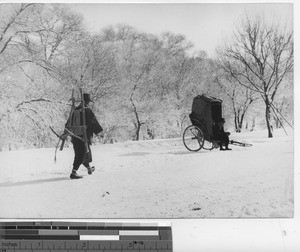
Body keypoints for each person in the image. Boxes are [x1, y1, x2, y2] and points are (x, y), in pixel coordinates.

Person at [70, 93, 103, 179]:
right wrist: (99, 132)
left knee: (82, 153)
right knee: (82, 154)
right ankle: (74, 172)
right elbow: (93, 122)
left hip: (74, 136)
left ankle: (89, 168)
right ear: (87, 102)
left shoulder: (75, 110)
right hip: (83, 136)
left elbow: (69, 122)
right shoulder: (87, 110)